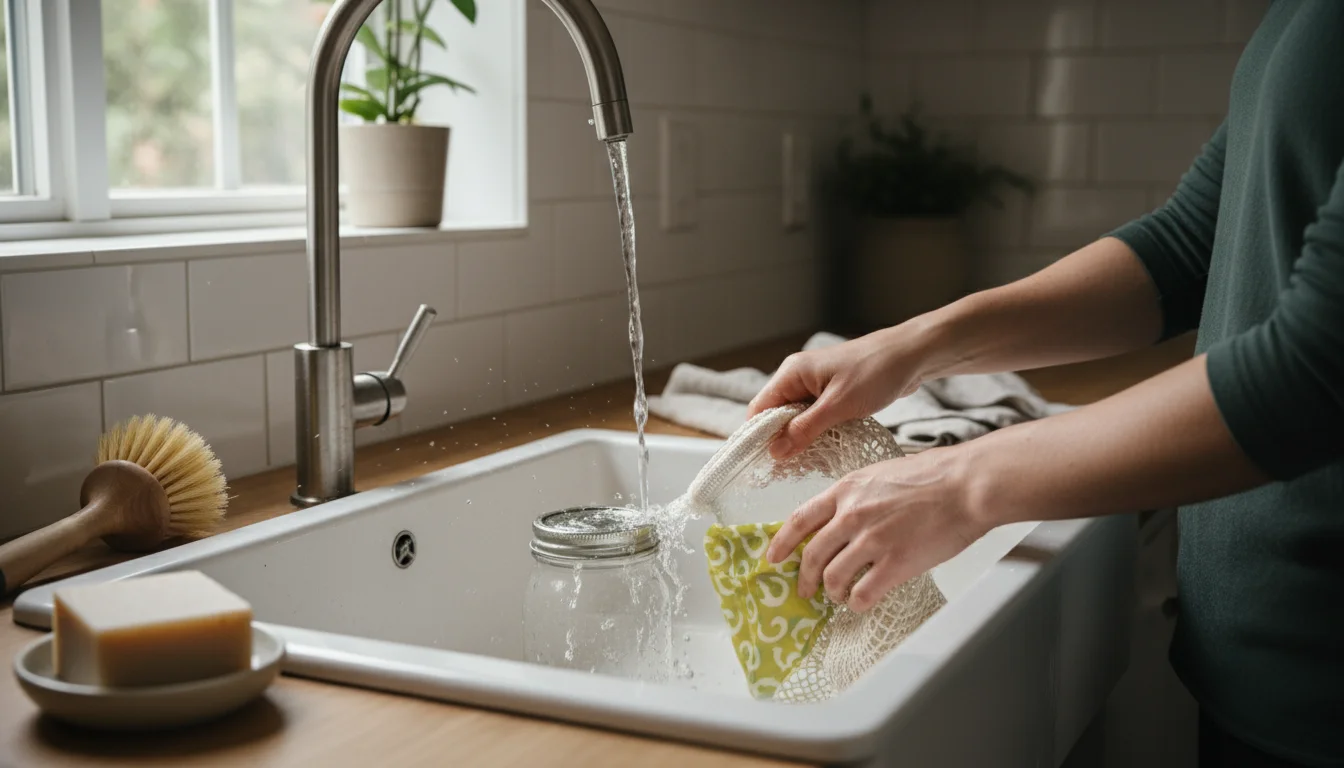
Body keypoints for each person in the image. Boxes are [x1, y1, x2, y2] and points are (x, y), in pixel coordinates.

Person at [748, 3, 1343, 767]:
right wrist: (914, 347)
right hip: (1260, 661)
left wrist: (957, 486)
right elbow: (1189, 244)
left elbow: (1316, 368)